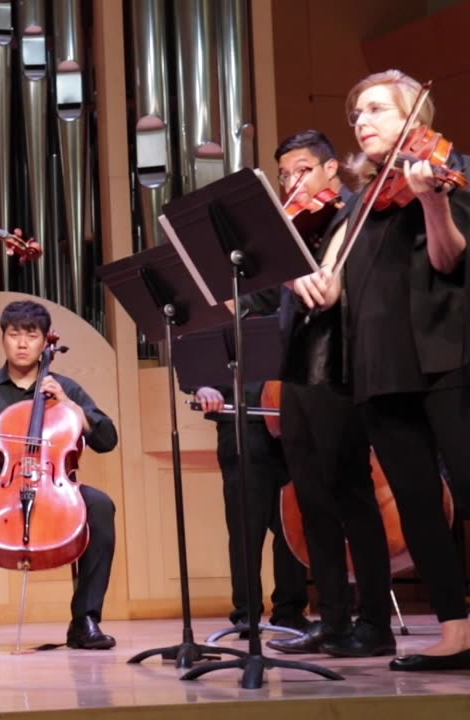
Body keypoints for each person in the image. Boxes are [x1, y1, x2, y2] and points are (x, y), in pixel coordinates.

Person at [295, 69, 470, 671]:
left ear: (413, 119)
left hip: (447, 358)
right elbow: (341, 285)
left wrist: (434, 200)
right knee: (419, 505)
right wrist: (318, 283)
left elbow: (448, 261)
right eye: (357, 115)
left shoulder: (448, 173)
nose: (362, 122)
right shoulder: (359, 205)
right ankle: (455, 631)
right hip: (379, 369)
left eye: (375, 110)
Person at [255, 130, 395, 658]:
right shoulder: (295, 227)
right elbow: (266, 293)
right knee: (310, 498)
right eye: (285, 174)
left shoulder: (355, 214)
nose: (293, 182)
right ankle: (333, 620)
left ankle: (374, 622)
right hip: (294, 367)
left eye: (303, 170)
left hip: (339, 365)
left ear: (331, 169)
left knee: (350, 493)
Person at [0, 300, 120, 652]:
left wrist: (68, 403)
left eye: (31, 335)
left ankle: (85, 620)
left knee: (100, 507)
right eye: (14, 334)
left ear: (43, 343)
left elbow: (107, 439)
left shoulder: (63, 387)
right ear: (3, 339)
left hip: (56, 485)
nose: (22, 343)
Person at [191, 382, 309, 634]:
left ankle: (290, 611)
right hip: (244, 429)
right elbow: (198, 358)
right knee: (246, 527)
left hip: (293, 427)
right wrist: (202, 387)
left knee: (294, 526)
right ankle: (247, 613)